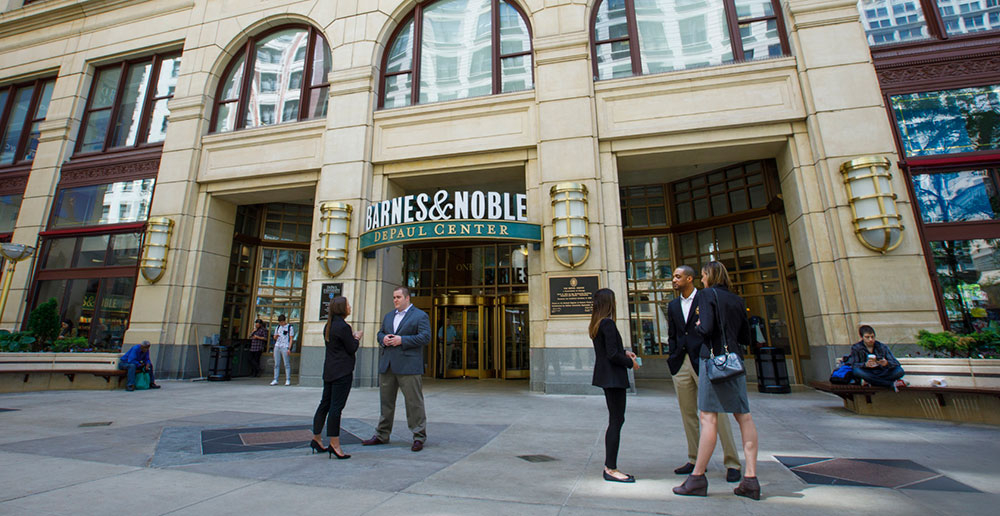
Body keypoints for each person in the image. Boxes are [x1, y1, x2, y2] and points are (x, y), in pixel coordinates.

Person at [674, 261, 760, 500]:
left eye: (703, 276)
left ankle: (698, 477)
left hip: (712, 362)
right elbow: (745, 336)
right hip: (735, 362)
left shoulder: (706, 295)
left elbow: (707, 327)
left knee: (708, 417)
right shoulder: (737, 300)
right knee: (744, 417)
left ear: (709, 276)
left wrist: (701, 326)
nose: (702, 280)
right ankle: (751, 479)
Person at [666, 265, 742, 482]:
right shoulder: (672, 305)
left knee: (717, 412)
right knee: (688, 413)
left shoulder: (707, 297)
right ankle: (695, 459)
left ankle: (732, 462)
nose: (674, 280)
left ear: (690, 279)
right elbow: (673, 333)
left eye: (678, 277)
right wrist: (672, 356)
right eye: (673, 277)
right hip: (681, 363)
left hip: (705, 361)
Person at [362, 286, 431, 452]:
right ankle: (382, 434)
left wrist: (402, 340)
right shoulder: (388, 316)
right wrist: (383, 338)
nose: (395, 300)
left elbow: (425, 337)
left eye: (398, 297)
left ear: (407, 298)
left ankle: (418, 436)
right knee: (386, 403)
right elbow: (380, 333)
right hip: (388, 365)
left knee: (414, 403)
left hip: (409, 366)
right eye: (394, 297)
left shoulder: (420, 316)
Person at [590, 288, 640, 482]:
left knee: (616, 420)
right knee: (616, 421)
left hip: (606, 377)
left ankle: (610, 466)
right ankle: (611, 468)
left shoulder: (597, 324)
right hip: (613, 378)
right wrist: (631, 363)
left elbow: (609, 349)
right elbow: (611, 354)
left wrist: (624, 352)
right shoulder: (608, 324)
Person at [311, 296, 363, 459]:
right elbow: (351, 348)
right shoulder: (343, 327)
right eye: (348, 305)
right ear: (342, 308)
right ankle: (335, 444)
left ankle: (317, 438)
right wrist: (356, 338)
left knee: (324, 404)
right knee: (336, 408)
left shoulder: (329, 325)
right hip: (342, 372)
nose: (350, 307)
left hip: (329, 371)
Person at [271, 314, 294, 386]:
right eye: (280, 322)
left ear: (284, 321)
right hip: (277, 345)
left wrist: (289, 348)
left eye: (282, 322)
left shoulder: (289, 327)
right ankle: (275, 379)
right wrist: (276, 336)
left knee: (286, 363)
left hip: (285, 346)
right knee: (276, 363)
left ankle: (287, 379)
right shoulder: (278, 327)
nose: (281, 323)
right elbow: (274, 337)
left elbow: (291, 338)